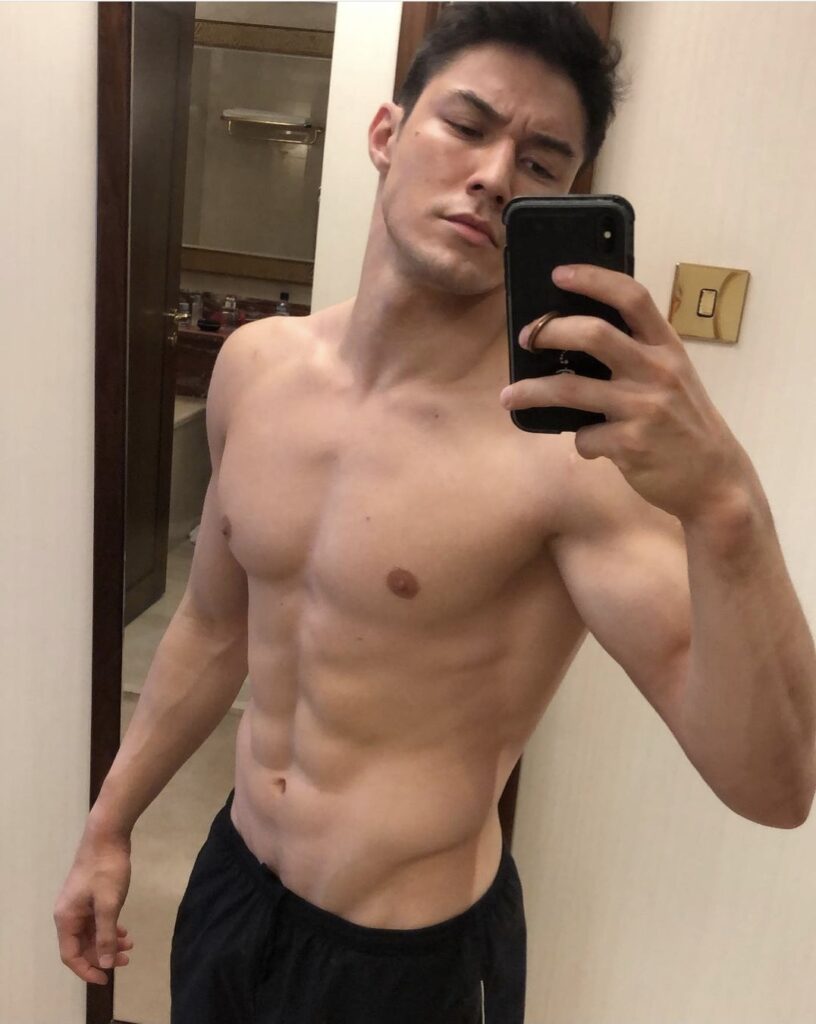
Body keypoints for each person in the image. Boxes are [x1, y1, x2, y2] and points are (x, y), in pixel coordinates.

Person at [54, 3, 816, 1022]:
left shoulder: (569, 455)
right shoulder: (256, 369)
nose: (495, 175)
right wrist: (109, 824)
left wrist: (727, 503)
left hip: (405, 967)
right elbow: (215, 622)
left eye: (541, 163)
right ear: (387, 133)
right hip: (233, 892)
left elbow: (775, 786)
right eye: (467, 124)